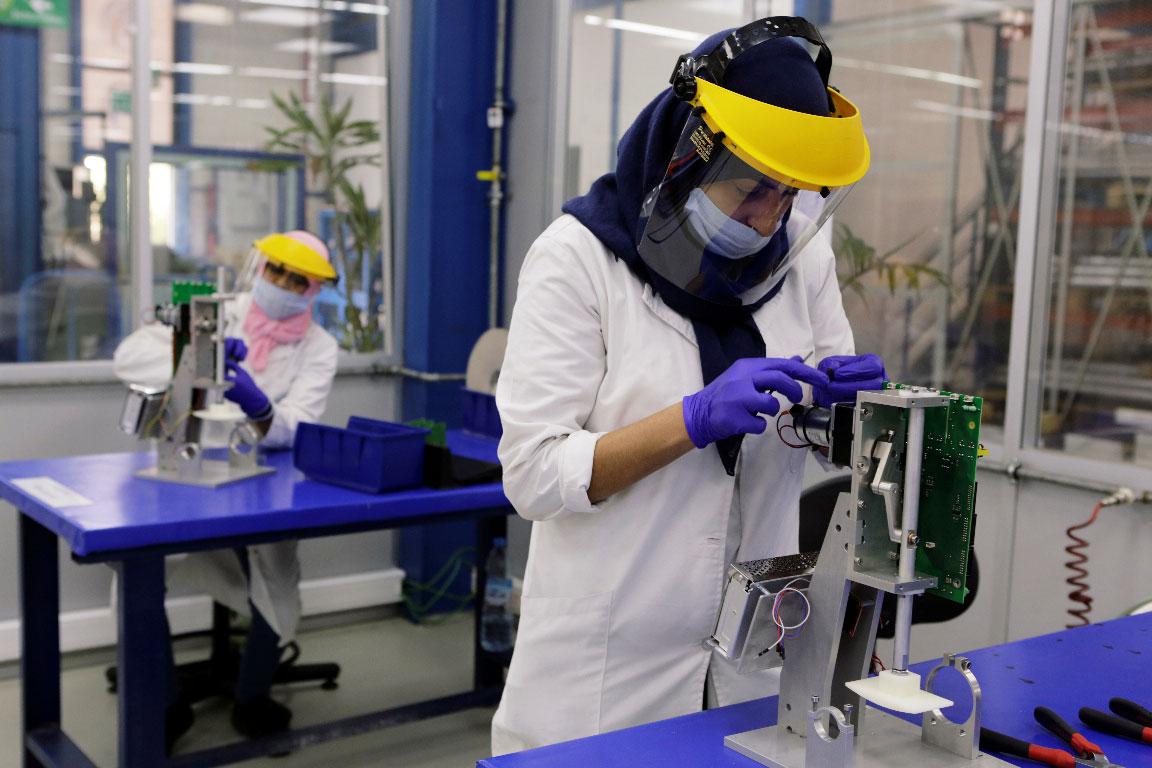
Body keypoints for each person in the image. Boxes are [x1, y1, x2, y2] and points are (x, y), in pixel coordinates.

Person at [491, 18, 886, 755]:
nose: (769, 217)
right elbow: (534, 476)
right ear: (687, 157)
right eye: (751, 191)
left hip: (751, 664)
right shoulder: (577, 260)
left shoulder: (800, 255)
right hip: (604, 676)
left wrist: (852, 414)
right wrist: (691, 419)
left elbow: (829, 443)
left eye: (790, 194)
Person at [113, 230, 338, 748]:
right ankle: (165, 703)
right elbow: (128, 359)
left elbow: (299, 424)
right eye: (275, 271)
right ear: (260, 268)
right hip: (184, 470)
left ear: (312, 291)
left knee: (276, 578)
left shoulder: (319, 347)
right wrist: (195, 356)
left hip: (263, 479)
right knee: (137, 573)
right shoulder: (215, 312)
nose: (280, 284)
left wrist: (259, 406)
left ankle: (252, 696)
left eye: (296, 279)